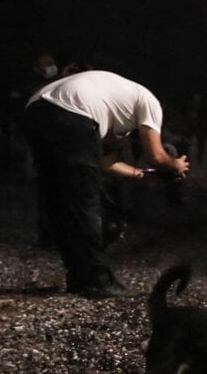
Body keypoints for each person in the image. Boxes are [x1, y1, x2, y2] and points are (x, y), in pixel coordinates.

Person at [22, 69, 189, 297]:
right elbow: (157, 156)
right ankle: (96, 280)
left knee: (60, 198)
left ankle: (78, 276)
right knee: (88, 201)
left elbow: (106, 163)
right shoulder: (151, 103)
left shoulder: (116, 110)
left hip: (36, 110)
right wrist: (175, 166)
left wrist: (142, 175)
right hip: (73, 113)